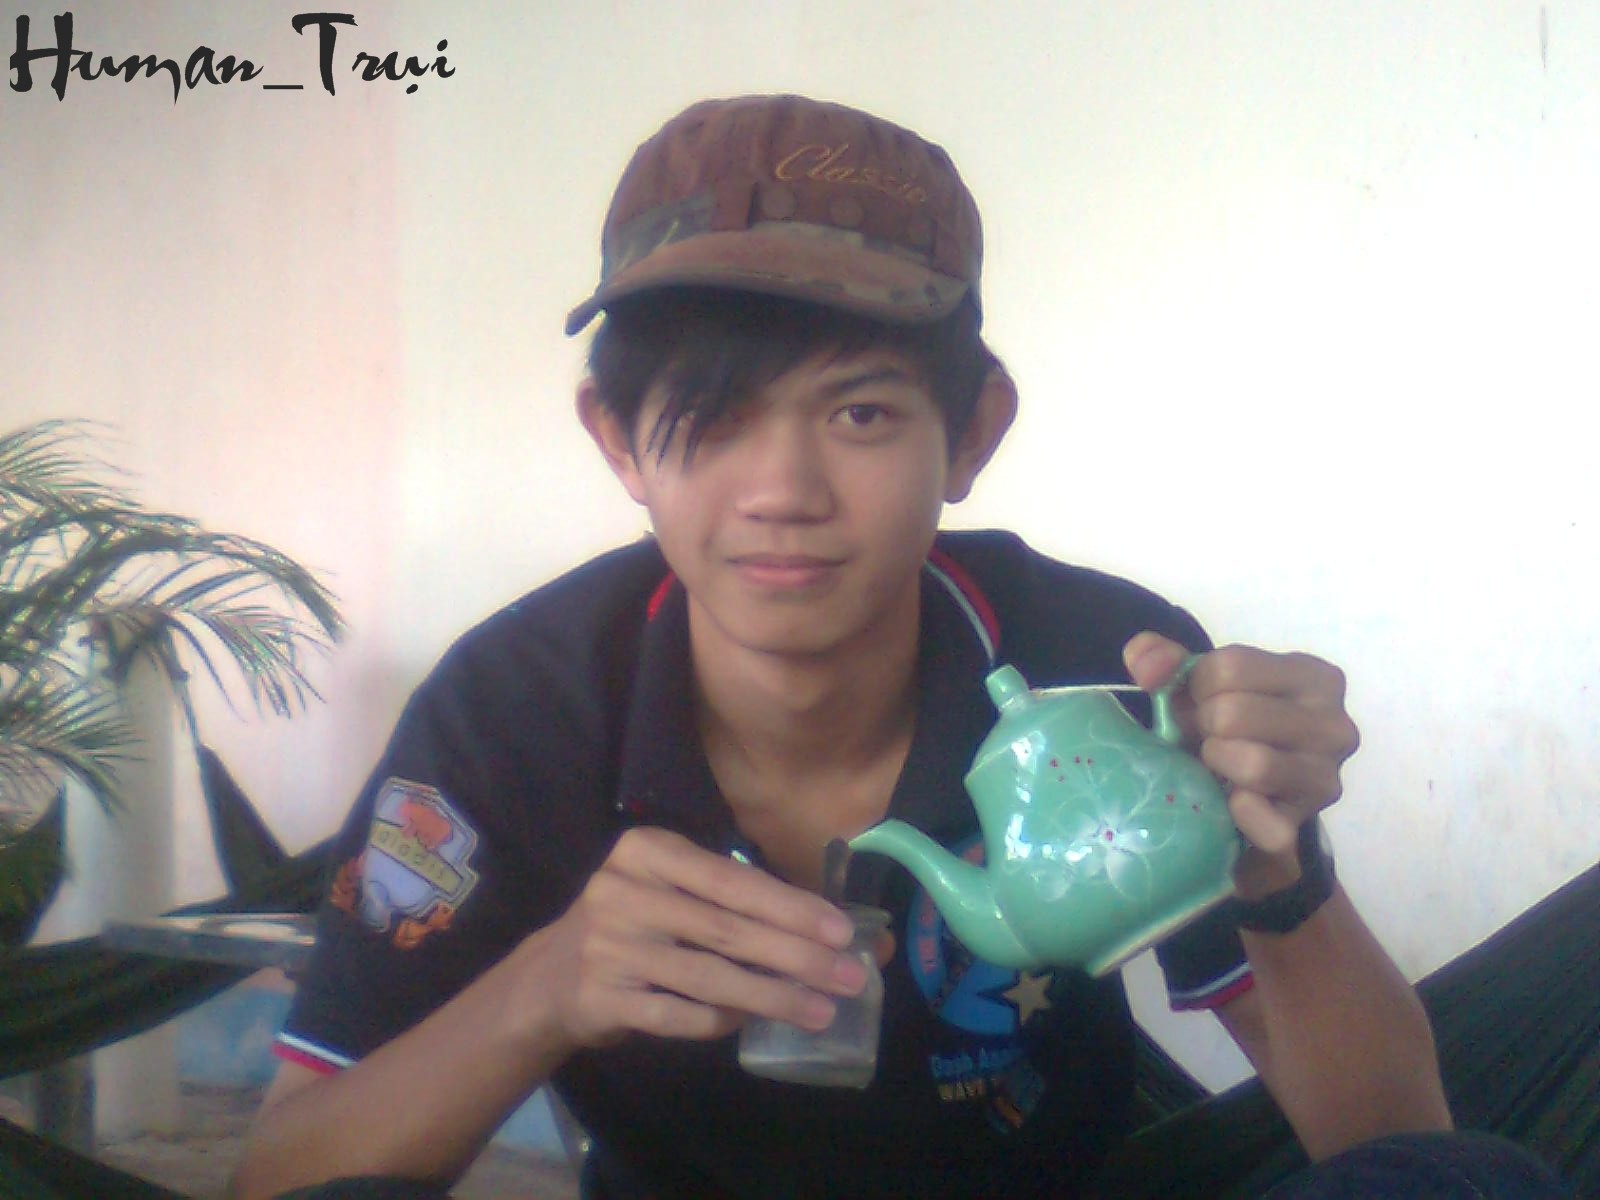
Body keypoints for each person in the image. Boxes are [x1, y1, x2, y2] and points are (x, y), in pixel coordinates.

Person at [228, 95, 1568, 1200]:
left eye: (860, 415)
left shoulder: (1101, 669)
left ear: (971, 434)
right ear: (618, 442)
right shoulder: (518, 708)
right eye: (711, 417)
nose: (782, 493)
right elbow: (283, 1172)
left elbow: (1394, 1141)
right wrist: (544, 986)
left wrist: (1278, 878)